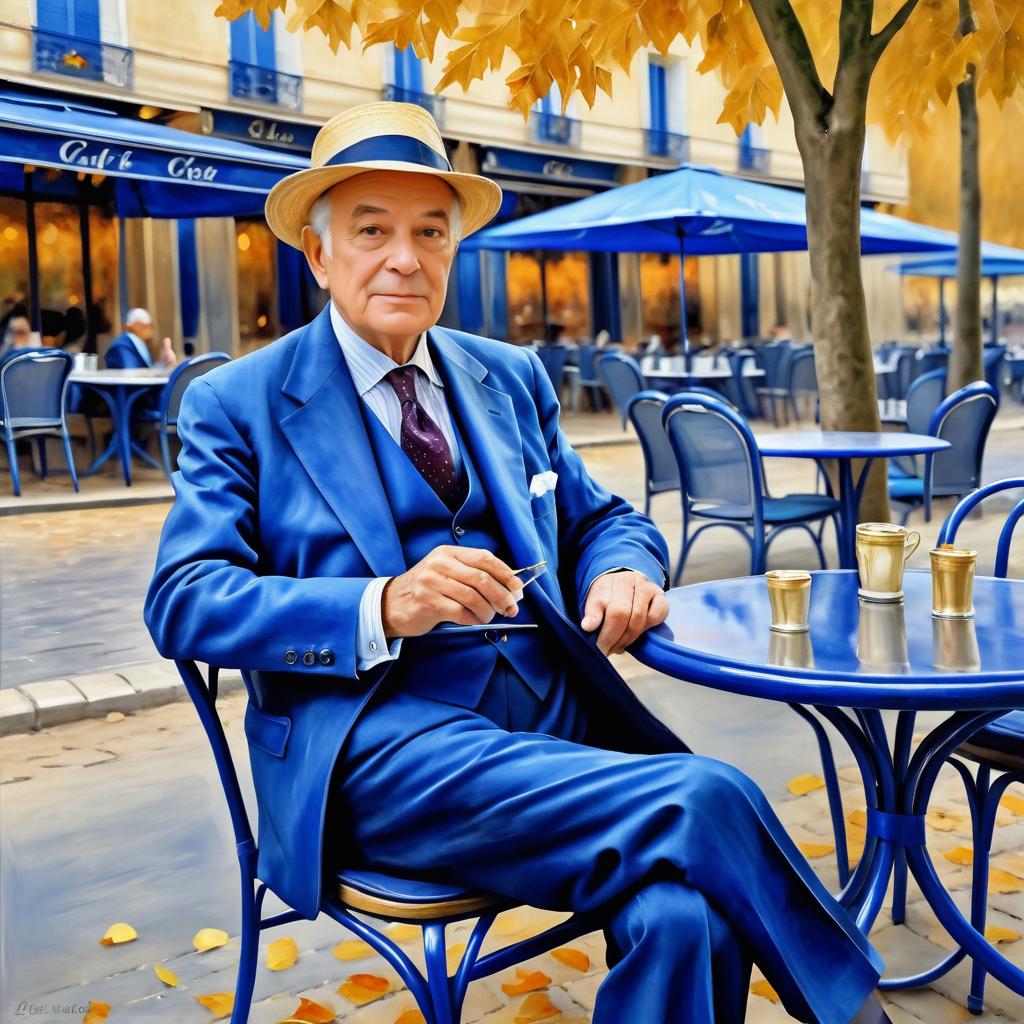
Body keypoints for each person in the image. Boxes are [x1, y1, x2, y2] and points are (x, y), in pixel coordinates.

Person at [145, 103, 888, 1024]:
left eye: (429, 233)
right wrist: (380, 604)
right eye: (372, 232)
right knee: (705, 794)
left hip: (553, 720)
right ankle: (861, 1014)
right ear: (318, 254)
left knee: (683, 913)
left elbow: (606, 518)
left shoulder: (507, 375)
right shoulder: (238, 402)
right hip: (381, 748)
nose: (404, 258)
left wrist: (620, 571)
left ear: (454, 251)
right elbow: (183, 600)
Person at [104, 308, 178, 370]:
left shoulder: (137, 344)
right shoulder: (122, 347)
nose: (150, 330)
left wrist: (164, 363)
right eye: (148, 326)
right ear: (137, 325)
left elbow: (147, 370)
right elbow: (133, 375)